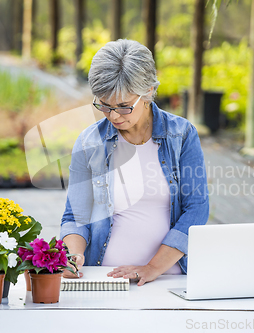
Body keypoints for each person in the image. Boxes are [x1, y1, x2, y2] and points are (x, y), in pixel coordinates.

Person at [60, 39, 209, 286]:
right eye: (104, 106)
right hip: (104, 280)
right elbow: (75, 215)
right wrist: (74, 255)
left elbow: (196, 209)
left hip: (168, 281)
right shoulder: (89, 141)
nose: (114, 116)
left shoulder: (181, 135)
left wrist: (152, 268)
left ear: (148, 91)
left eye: (124, 106)